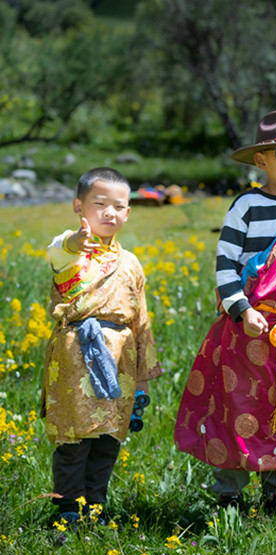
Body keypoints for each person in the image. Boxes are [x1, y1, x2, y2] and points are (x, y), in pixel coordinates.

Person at [173, 110, 276, 515]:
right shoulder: (246, 206)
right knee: (236, 410)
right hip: (245, 332)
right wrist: (242, 310)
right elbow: (225, 266)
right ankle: (228, 498)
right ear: (261, 160)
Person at [42, 167, 162, 526]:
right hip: (75, 356)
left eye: (119, 206)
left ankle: (95, 506)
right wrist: (75, 241)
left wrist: (142, 376)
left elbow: (141, 321)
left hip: (120, 357)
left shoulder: (131, 263)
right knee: (74, 439)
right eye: (99, 204)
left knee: (109, 438)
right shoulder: (69, 252)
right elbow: (60, 249)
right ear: (78, 207)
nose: (110, 213)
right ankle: (68, 510)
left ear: (128, 212)